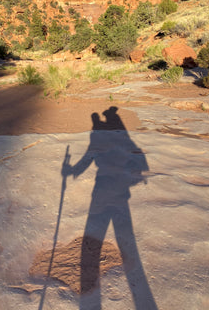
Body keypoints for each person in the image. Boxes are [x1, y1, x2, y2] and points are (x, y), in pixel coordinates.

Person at [63, 107, 157, 309]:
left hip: (104, 189)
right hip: (119, 190)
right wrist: (72, 170)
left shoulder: (99, 137)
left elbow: (87, 159)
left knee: (99, 228)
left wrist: (71, 170)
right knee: (123, 233)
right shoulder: (121, 137)